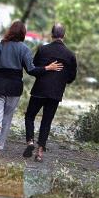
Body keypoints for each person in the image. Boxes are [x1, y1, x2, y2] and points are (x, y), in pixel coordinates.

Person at [0, 21, 63, 156]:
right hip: (14, 88)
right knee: (7, 117)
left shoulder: (0, 45)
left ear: (10, 31)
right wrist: (47, 68)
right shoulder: (24, 49)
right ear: (23, 34)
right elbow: (31, 70)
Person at [22, 23, 77, 162]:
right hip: (55, 93)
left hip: (39, 90)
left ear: (51, 34)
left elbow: (34, 68)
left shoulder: (43, 50)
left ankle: (30, 141)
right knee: (46, 121)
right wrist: (60, 79)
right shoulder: (70, 55)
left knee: (30, 116)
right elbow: (71, 78)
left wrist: (46, 70)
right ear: (64, 35)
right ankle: (40, 153)